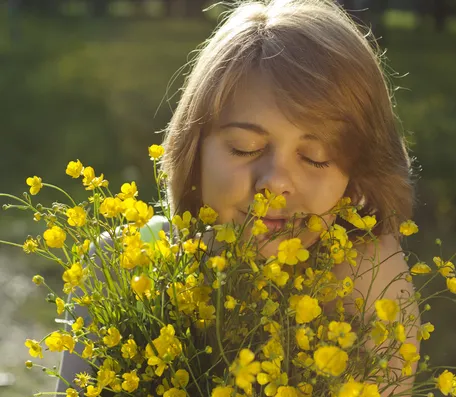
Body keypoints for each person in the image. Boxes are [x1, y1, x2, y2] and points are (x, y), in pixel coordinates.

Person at [56, 0, 419, 395]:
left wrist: (371, 279)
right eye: (246, 148)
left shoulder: (368, 284)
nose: (275, 183)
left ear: (357, 175)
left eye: (316, 158)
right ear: (194, 149)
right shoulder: (123, 264)